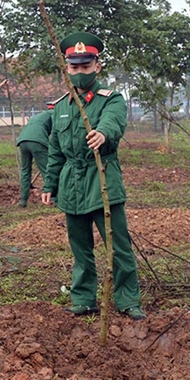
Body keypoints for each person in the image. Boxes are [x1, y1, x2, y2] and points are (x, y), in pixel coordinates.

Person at [41, 31, 145, 320]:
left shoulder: (111, 100)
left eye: (85, 67)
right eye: (73, 68)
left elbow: (114, 122)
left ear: (97, 66)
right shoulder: (61, 106)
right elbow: (55, 151)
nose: (79, 73)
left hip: (103, 181)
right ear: (66, 69)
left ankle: (127, 301)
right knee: (80, 248)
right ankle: (84, 299)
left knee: (118, 246)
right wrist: (49, 184)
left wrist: (103, 133)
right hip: (71, 185)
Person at [16, 108, 53, 207]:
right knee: (47, 170)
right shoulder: (55, 113)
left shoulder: (39, 115)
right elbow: (58, 133)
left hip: (23, 140)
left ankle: (23, 201)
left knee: (25, 171)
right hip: (37, 141)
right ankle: (54, 199)